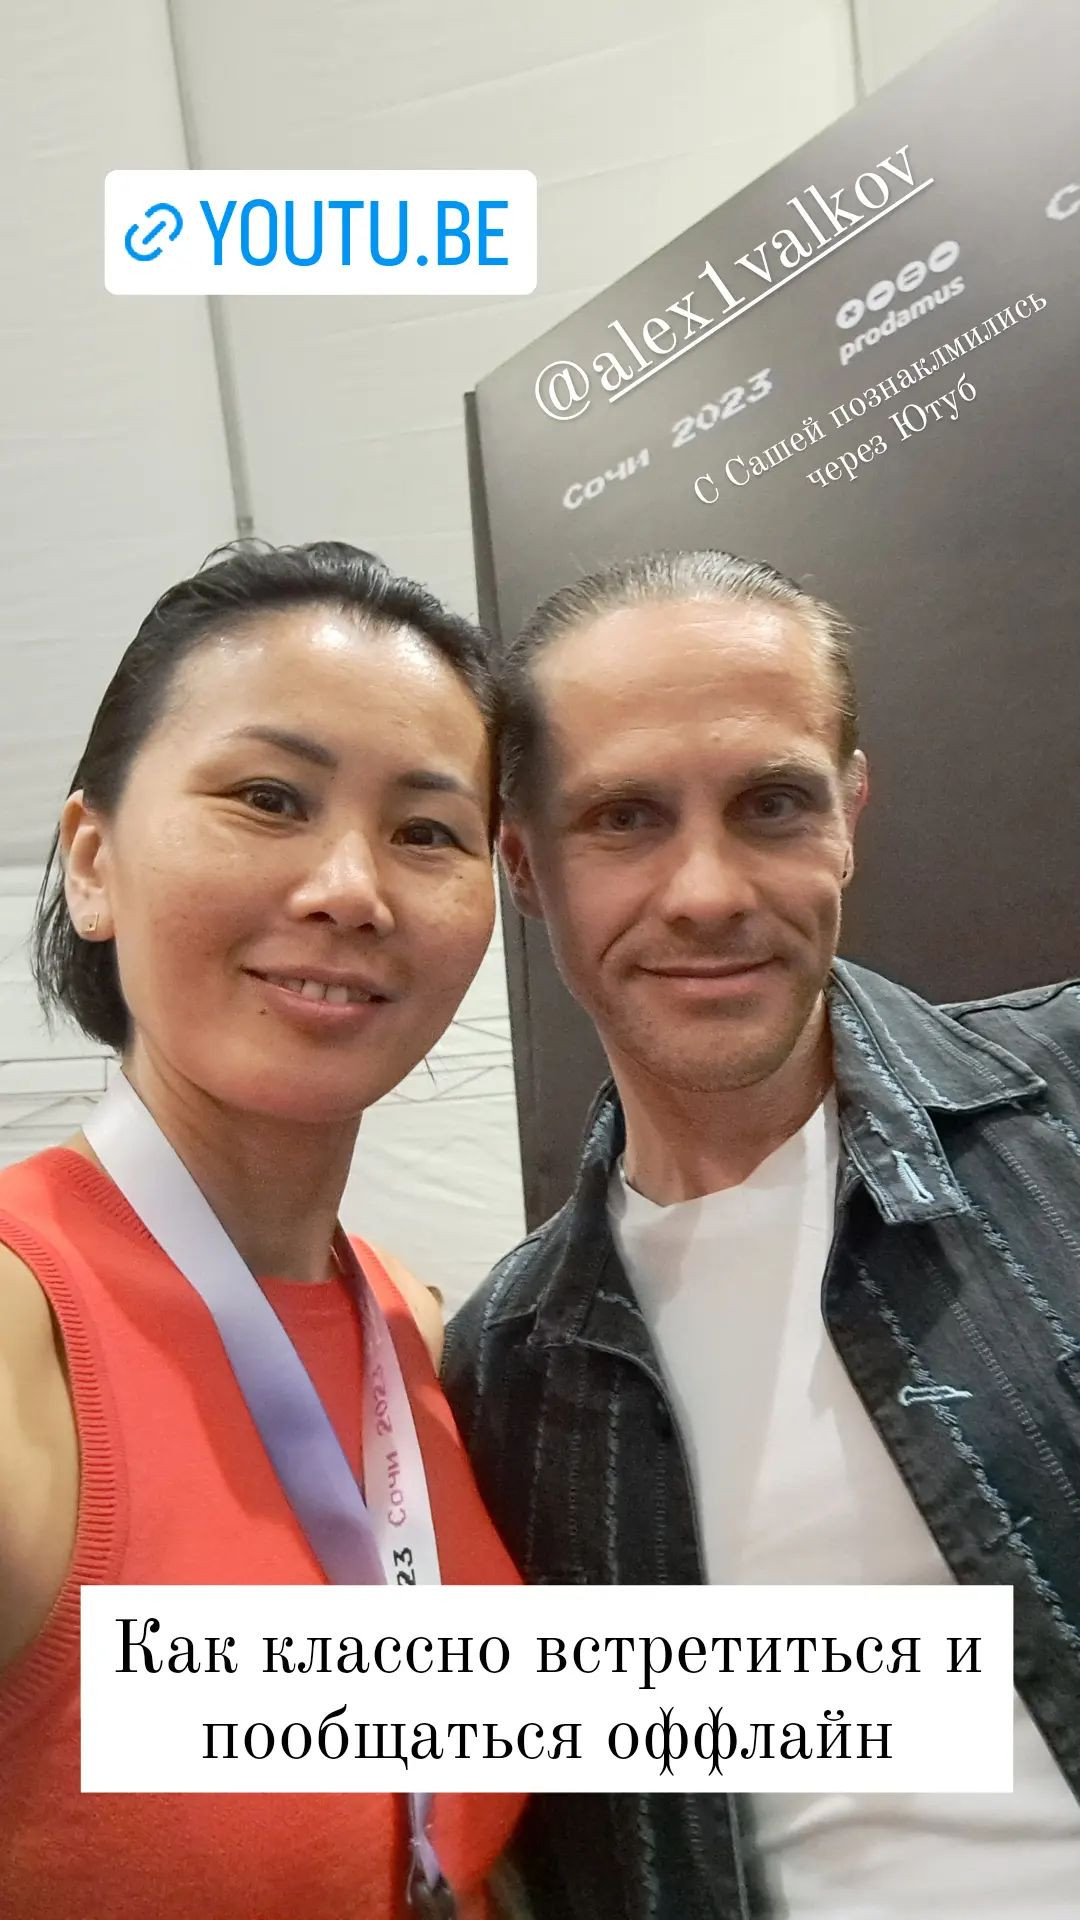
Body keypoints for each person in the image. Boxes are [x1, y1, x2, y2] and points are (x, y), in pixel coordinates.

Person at [442, 549, 1080, 1920]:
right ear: (524, 866)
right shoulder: (500, 1369)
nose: (709, 891)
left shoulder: (1069, 1110)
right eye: (623, 818)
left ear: (849, 812)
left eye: (772, 803)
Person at [0, 540, 526, 1920]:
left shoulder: (413, 1324)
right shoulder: (19, 1325)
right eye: (268, 799)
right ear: (94, 863)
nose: (351, 886)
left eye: (427, 831)